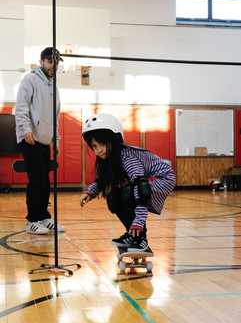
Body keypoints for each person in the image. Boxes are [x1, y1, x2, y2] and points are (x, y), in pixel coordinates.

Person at [80, 113, 175, 251]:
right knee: (113, 197)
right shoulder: (109, 157)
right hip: (144, 181)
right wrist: (91, 192)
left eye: (102, 144)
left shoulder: (127, 156)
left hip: (162, 177)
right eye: (94, 146)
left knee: (130, 194)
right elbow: (102, 177)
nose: (98, 150)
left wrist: (139, 221)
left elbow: (141, 188)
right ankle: (132, 234)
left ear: (115, 139)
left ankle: (140, 238)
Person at [15, 47, 66, 235]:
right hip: (30, 139)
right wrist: (26, 130)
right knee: (36, 180)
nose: (54, 65)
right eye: (51, 61)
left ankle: (44, 217)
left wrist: (57, 140)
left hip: (45, 140)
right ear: (42, 61)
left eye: (57, 62)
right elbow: (21, 107)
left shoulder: (54, 87)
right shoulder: (30, 79)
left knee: (45, 181)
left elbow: (55, 116)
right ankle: (32, 221)